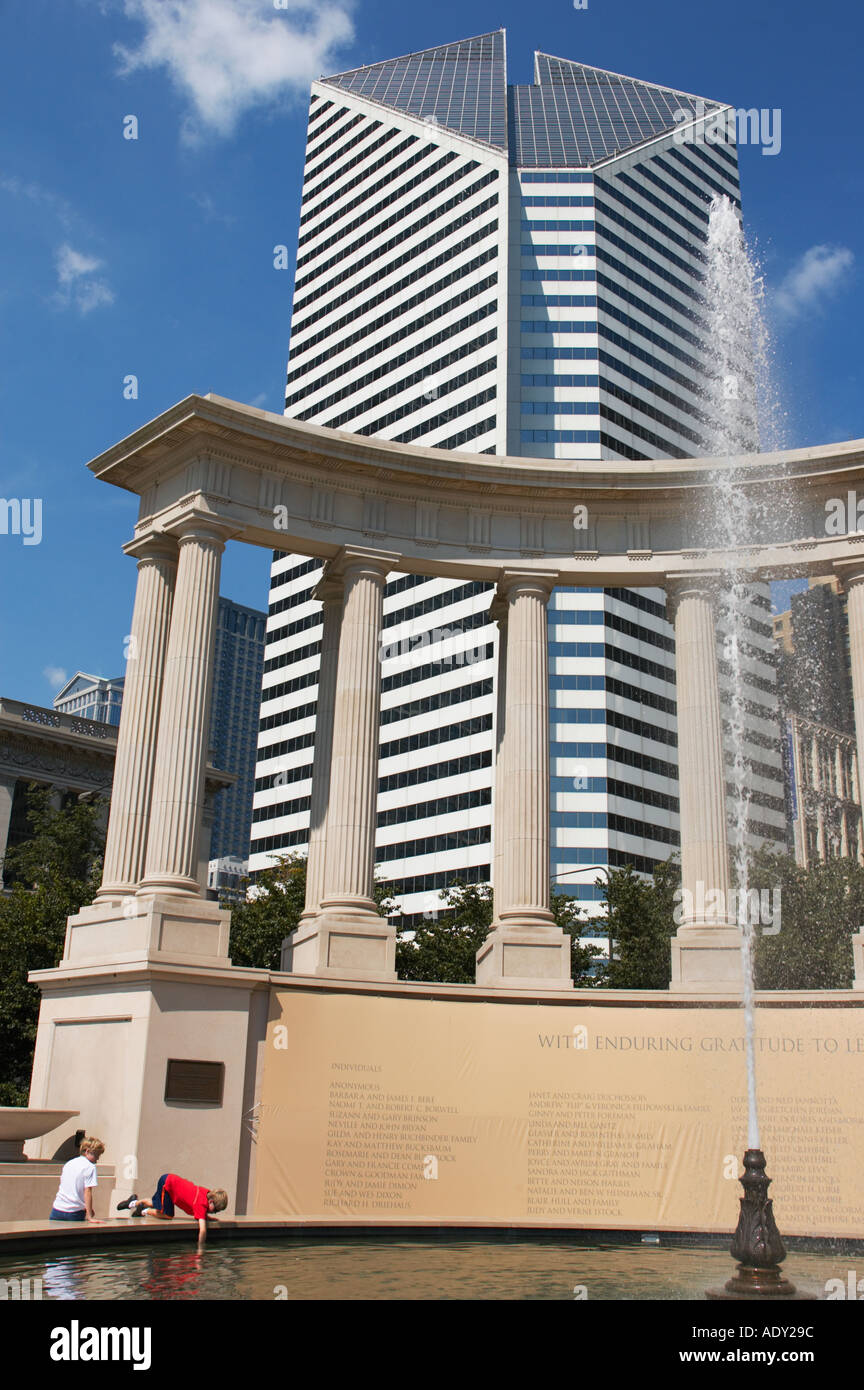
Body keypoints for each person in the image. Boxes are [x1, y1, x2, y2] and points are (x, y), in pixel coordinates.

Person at [118, 1174, 228, 1243]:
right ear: (211, 1201)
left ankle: (132, 1203)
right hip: (168, 1185)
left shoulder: (206, 1193)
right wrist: (200, 1250)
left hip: (170, 1180)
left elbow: (202, 1213)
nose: (215, 1212)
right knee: (167, 1215)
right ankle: (142, 1211)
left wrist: (208, 1218)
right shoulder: (201, 1204)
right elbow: (203, 1229)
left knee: (156, 1204)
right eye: (216, 1210)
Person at [49, 1136, 105, 1223]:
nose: (98, 1159)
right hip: (74, 1212)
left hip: (57, 1209)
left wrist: (88, 1207)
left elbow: (68, 1186)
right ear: (87, 1152)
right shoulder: (90, 1167)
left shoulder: (69, 1163)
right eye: (96, 1155)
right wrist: (89, 1215)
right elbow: (88, 1192)